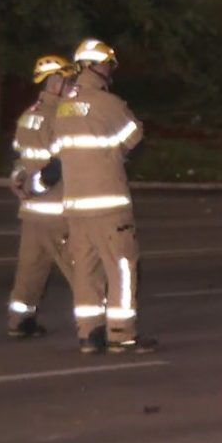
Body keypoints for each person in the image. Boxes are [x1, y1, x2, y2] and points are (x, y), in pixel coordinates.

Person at [52, 38, 155, 354]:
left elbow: (58, 153)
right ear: (96, 66)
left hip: (76, 208)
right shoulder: (109, 104)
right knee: (121, 268)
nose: (111, 69)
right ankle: (121, 333)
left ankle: (89, 333)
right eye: (109, 64)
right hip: (109, 207)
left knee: (86, 272)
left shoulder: (63, 109)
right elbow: (136, 143)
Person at [6, 56, 77, 338]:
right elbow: (61, 164)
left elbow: (21, 156)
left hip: (31, 213)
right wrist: (36, 185)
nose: (73, 87)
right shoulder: (61, 116)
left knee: (30, 270)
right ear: (56, 83)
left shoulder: (28, 115)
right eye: (69, 82)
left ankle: (19, 320)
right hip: (57, 211)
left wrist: (18, 180)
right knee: (82, 270)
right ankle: (104, 326)